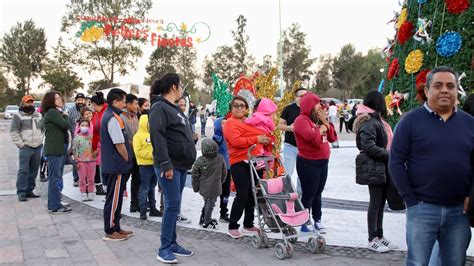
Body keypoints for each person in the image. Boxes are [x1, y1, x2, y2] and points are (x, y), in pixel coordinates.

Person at [389, 66, 474, 265]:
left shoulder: (469, 123)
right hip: (422, 209)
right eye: (438, 85)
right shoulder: (409, 122)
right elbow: (396, 162)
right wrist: (410, 200)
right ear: (427, 91)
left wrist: (472, 195)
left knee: (454, 262)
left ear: (456, 91)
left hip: (459, 212)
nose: (445, 90)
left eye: (450, 86)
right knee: (418, 262)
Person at [149, 73, 197, 263]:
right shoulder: (160, 107)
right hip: (169, 165)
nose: (183, 87)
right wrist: (165, 163)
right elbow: (157, 136)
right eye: (181, 84)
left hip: (180, 165)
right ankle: (164, 248)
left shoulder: (172, 108)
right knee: (172, 205)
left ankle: (173, 243)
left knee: (174, 206)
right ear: (174, 87)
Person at [352, 91, 397, 253]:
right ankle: (372, 238)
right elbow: (368, 146)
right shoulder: (370, 121)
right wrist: (391, 155)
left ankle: (380, 236)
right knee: (375, 203)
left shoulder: (377, 120)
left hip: (382, 166)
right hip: (375, 166)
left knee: (380, 203)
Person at [224, 96, 271, 239]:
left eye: (242, 106)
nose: (239, 108)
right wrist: (257, 139)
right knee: (242, 194)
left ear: (246, 108)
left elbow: (261, 132)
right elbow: (236, 141)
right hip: (239, 162)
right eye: (236, 106)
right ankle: (232, 226)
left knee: (253, 194)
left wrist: (265, 138)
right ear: (231, 109)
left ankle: (248, 224)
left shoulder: (249, 121)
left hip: (255, 161)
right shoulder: (230, 123)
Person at [293, 92, 337, 233]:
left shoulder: (317, 120)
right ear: (310, 105)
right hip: (308, 163)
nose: (320, 107)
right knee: (309, 194)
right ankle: (304, 223)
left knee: (318, 193)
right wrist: (323, 127)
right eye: (317, 104)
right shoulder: (301, 120)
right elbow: (315, 140)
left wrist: (325, 122)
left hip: (322, 162)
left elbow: (332, 137)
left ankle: (317, 220)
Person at [100, 88, 134, 241]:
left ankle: (116, 226)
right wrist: (127, 158)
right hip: (116, 165)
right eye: (123, 101)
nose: (124, 104)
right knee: (113, 198)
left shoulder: (114, 116)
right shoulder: (112, 117)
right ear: (115, 101)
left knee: (117, 197)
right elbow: (119, 143)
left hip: (116, 164)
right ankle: (110, 229)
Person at [42, 91, 72, 213]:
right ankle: (55, 206)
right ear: (51, 101)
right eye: (57, 98)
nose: (60, 99)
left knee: (58, 177)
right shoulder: (52, 112)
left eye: (60, 97)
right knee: (54, 178)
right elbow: (65, 125)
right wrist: (65, 115)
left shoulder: (55, 112)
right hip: (54, 150)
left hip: (59, 148)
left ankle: (55, 202)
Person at [10, 95, 44, 201]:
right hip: (26, 147)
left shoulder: (38, 115)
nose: (30, 104)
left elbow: (43, 129)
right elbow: (14, 132)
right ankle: (21, 192)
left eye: (31, 102)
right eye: (28, 102)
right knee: (23, 170)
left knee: (34, 170)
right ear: (23, 103)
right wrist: (21, 144)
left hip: (37, 147)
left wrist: (41, 141)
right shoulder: (18, 116)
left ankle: (29, 190)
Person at [192, 138, 227, 230]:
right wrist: (221, 182)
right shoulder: (220, 158)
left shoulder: (200, 160)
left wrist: (196, 188)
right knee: (210, 204)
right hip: (215, 187)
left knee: (207, 202)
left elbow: (195, 175)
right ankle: (206, 221)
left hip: (204, 187)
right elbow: (224, 172)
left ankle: (203, 218)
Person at [133, 113, 163, 220]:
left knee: (152, 188)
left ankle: (153, 208)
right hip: (144, 166)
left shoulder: (153, 135)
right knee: (144, 188)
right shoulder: (137, 136)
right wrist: (152, 156)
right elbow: (138, 152)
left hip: (154, 165)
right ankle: (143, 210)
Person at [278, 88, 308, 192]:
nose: (304, 98)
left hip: (305, 148)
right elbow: (280, 125)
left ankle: (300, 199)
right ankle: (288, 195)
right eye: (301, 96)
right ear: (296, 97)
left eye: (306, 96)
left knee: (303, 174)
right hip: (290, 146)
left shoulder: (310, 109)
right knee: (287, 173)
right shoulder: (288, 109)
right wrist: (289, 128)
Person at [120, 94, 140, 213]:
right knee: (123, 180)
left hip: (137, 153)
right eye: (135, 104)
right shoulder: (121, 117)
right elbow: (121, 136)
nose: (137, 106)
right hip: (126, 153)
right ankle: (117, 205)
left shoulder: (136, 116)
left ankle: (134, 204)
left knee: (137, 179)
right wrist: (131, 143)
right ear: (127, 104)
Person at [244, 98, 278, 168]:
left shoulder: (258, 115)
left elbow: (251, 122)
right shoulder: (269, 117)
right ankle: (268, 160)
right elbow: (272, 127)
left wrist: (246, 121)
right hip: (266, 133)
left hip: (258, 132)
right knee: (264, 148)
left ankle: (261, 161)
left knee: (259, 147)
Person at [212, 117, 231, 223]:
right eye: (223, 124)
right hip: (217, 169)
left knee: (226, 192)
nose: (225, 125)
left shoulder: (229, 137)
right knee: (214, 192)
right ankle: (205, 212)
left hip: (228, 168)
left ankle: (223, 212)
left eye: (226, 123)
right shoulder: (216, 138)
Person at [72, 119, 96, 201]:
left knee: (91, 178)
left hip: (91, 161)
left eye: (86, 125)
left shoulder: (92, 137)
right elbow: (74, 150)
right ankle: (83, 192)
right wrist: (76, 161)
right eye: (82, 125)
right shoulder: (77, 138)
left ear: (89, 127)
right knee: (82, 178)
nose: (84, 127)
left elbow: (97, 147)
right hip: (81, 161)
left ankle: (91, 192)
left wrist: (96, 153)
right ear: (79, 126)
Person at [68, 93, 87, 187]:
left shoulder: (88, 110)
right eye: (78, 100)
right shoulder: (71, 111)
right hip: (75, 139)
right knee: (77, 159)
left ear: (85, 101)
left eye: (82, 100)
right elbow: (67, 125)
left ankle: (87, 179)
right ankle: (76, 179)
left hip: (88, 139)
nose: (80, 102)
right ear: (75, 101)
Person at [90, 92, 107, 196]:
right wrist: (94, 147)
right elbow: (95, 133)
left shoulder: (107, 112)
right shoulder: (96, 115)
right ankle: (105, 189)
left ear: (94, 103)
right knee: (103, 169)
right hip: (102, 146)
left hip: (110, 146)